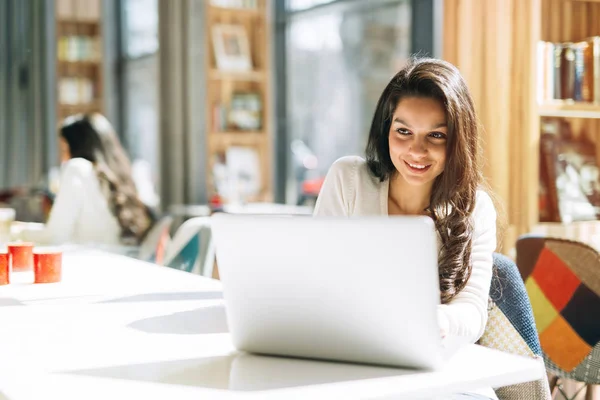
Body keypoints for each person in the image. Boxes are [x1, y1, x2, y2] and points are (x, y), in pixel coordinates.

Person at [313, 58, 498, 400]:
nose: (416, 150)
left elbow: (472, 312)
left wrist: (437, 322)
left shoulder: (476, 209)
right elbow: (317, 281)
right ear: (386, 130)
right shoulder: (349, 180)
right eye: (403, 131)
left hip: (437, 375)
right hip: (350, 366)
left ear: (458, 140)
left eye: (436, 135)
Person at [18, 113, 154, 247]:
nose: (62, 157)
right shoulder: (119, 173)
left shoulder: (77, 168)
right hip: (119, 260)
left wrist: (17, 232)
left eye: (64, 148)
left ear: (77, 146)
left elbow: (56, 235)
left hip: (89, 262)